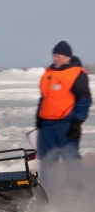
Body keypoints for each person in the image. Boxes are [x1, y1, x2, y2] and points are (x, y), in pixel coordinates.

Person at [36, 40, 91, 188]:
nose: (55, 58)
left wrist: (77, 122)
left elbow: (84, 99)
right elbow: (44, 97)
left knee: (70, 158)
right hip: (47, 125)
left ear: (67, 57)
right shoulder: (49, 72)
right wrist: (39, 117)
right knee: (46, 159)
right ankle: (48, 191)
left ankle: (76, 191)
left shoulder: (76, 73)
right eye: (54, 55)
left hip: (66, 124)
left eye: (58, 56)